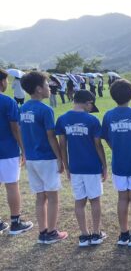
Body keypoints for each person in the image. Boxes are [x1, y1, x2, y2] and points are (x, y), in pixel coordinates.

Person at [101, 79, 131, 247]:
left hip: (119, 164)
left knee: (122, 198)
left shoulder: (108, 115)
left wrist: (117, 148)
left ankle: (123, 234)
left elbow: (107, 138)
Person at [19, 71, 67, 244]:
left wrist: (24, 153)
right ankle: (52, 232)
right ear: (39, 89)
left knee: (40, 196)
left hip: (31, 158)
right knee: (52, 196)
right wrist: (60, 158)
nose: (49, 88)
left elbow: (23, 133)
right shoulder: (46, 109)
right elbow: (50, 136)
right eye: (47, 85)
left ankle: (42, 232)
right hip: (46, 158)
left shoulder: (23, 108)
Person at [55, 90, 107, 246]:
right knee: (95, 200)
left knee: (79, 201)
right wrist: (104, 165)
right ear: (88, 102)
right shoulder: (92, 120)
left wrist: (67, 166)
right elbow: (98, 145)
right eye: (92, 105)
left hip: (75, 167)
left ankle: (84, 235)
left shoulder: (62, 119)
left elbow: (62, 145)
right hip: (92, 167)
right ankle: (96, 234)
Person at [0, 69, 33, 235]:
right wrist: (24, 149)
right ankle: (15, 222)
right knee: (12, 186)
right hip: (7, 151)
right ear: (1, 82)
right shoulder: (7, 101)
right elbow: (15, 128)